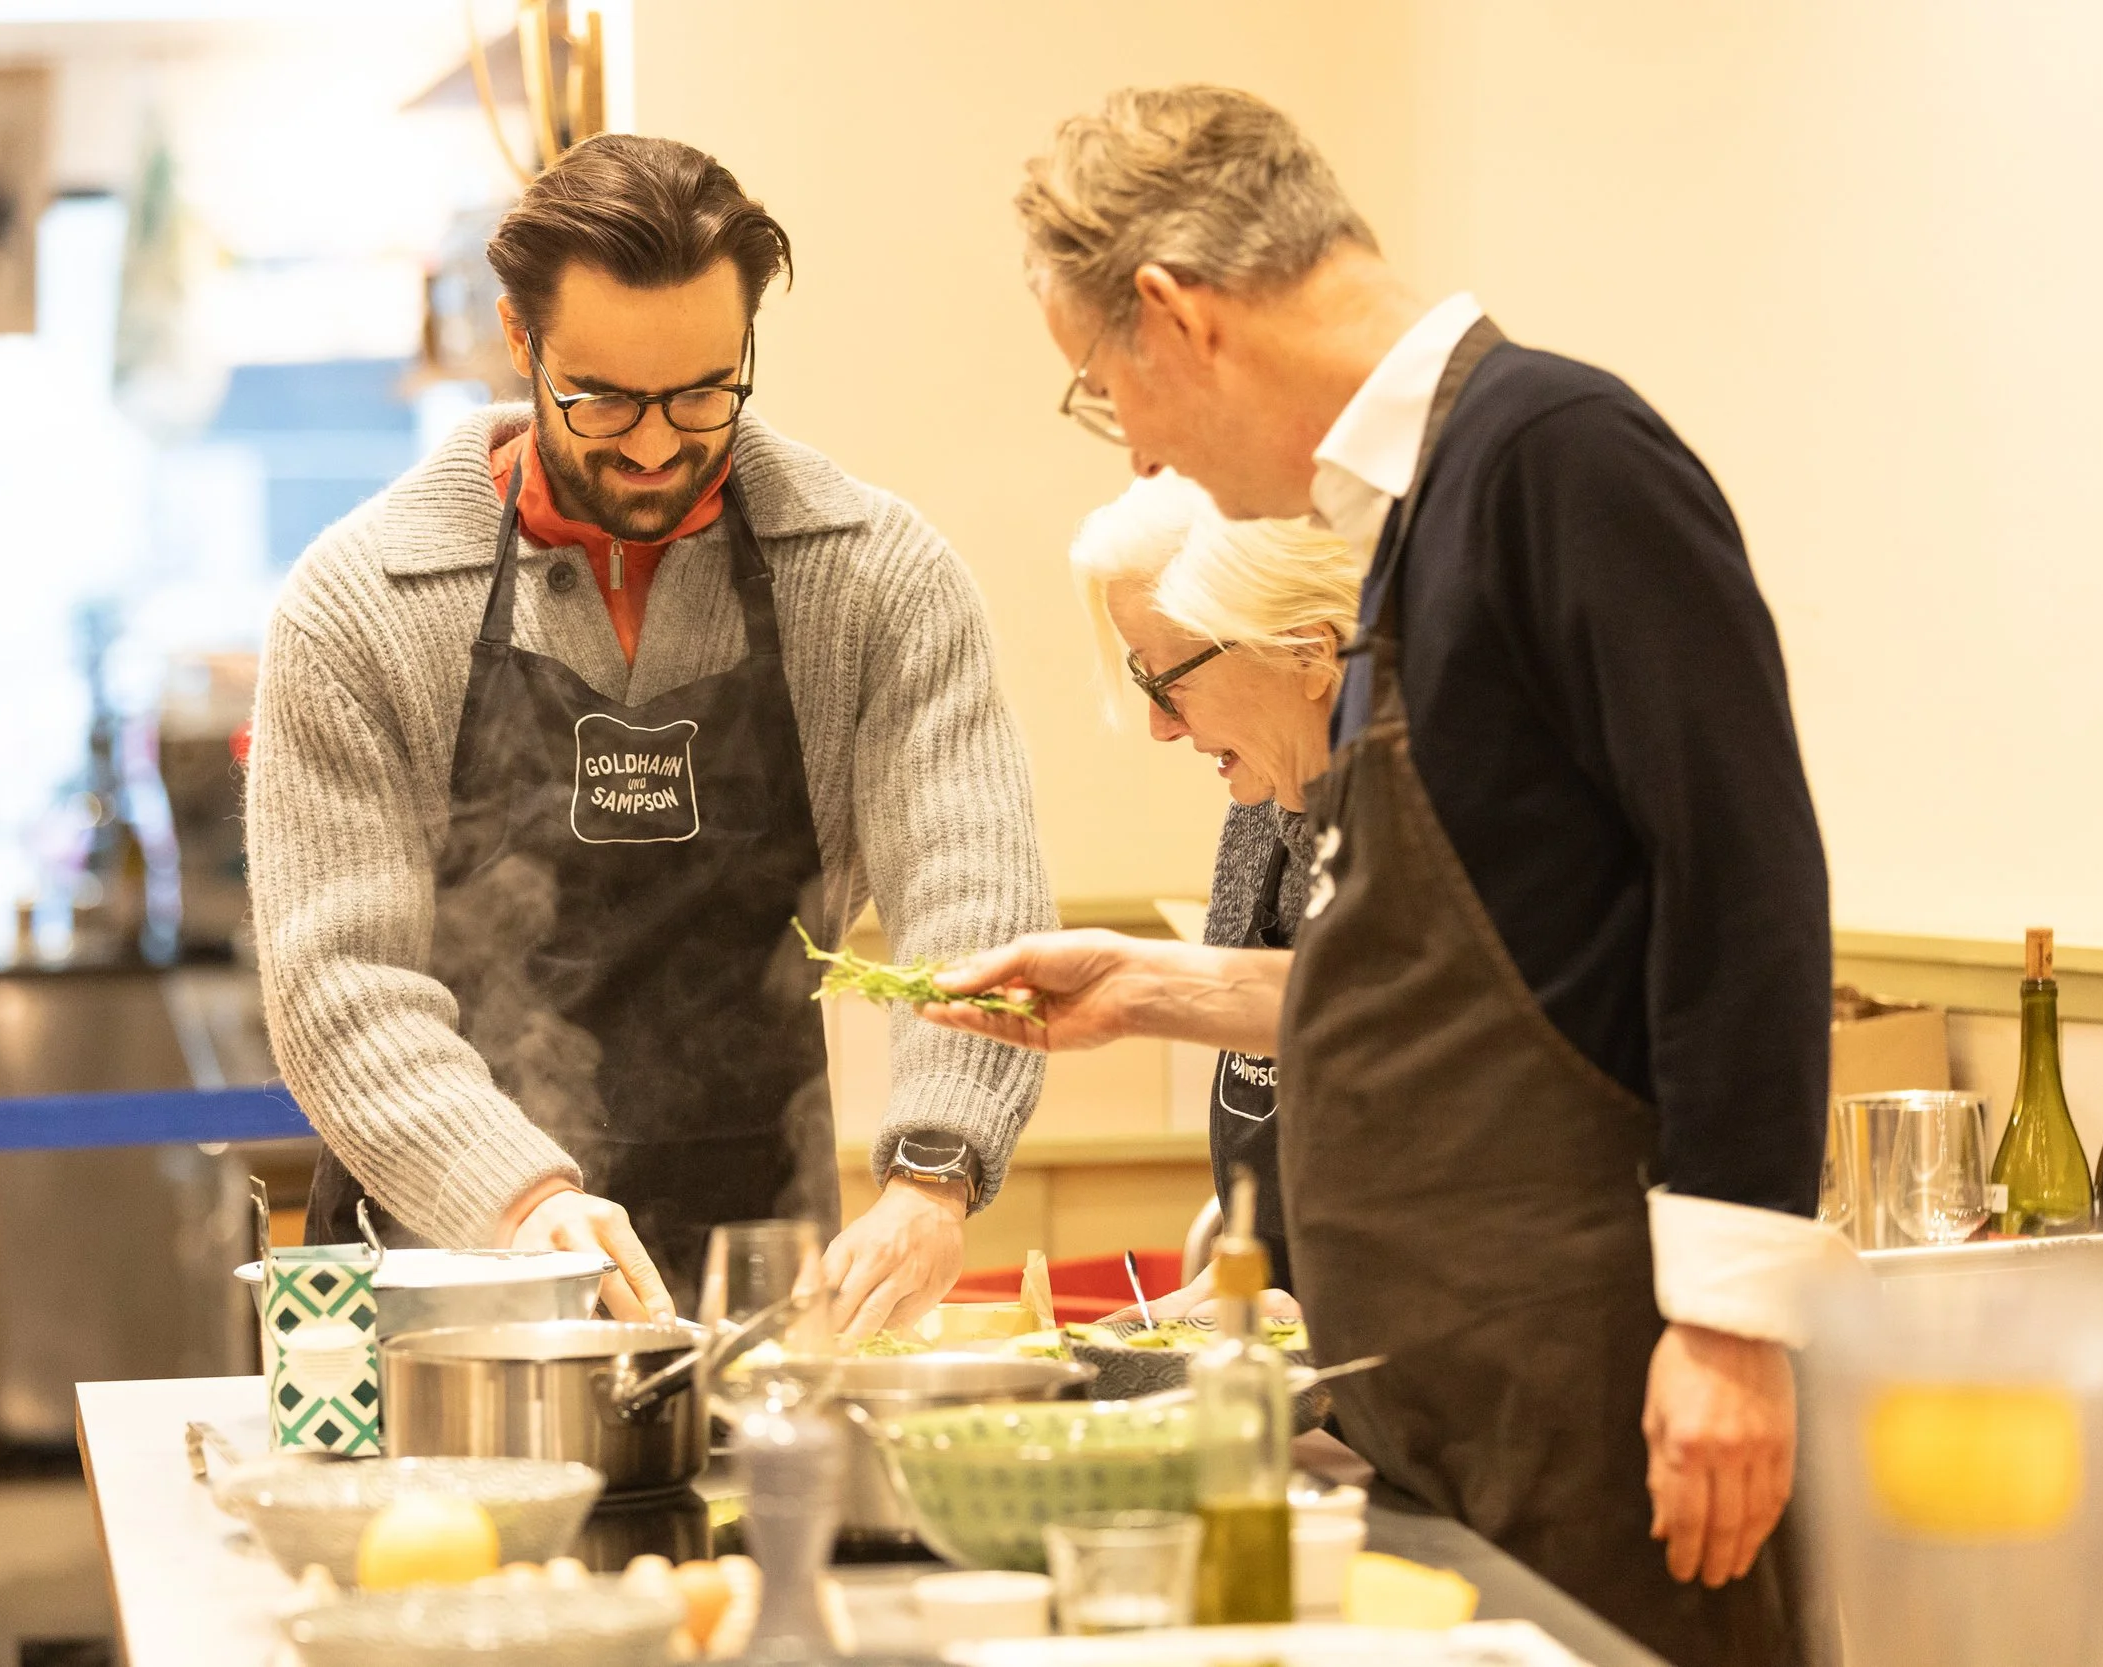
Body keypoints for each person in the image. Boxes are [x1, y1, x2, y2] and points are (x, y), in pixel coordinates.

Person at [925, 87, 1841, 1665]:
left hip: (1598, 1396)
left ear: (1174, 316)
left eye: (1100, 394)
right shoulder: (1422, 521)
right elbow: (1486, 973)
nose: (1137, 448)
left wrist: (1730, 1329)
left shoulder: (1557, 456)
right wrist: (1147, 983)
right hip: (1467, 1408)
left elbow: (1745, 881)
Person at [246, 134, 1054, 1336]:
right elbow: (339, 983)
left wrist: (936, 1169)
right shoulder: (365, 600)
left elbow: (971, 902)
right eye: (604, 398)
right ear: (519, 346)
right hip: (446, 1288)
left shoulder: (877, 581)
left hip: (761, 1265)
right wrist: (519, 1201)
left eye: (701, 394)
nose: (656, 443)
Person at [1066, 471, 1356, 1313]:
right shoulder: (1260, 814)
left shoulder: (1427, 830)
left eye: (1170, 679)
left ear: (1307, 651)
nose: (1160, 724)